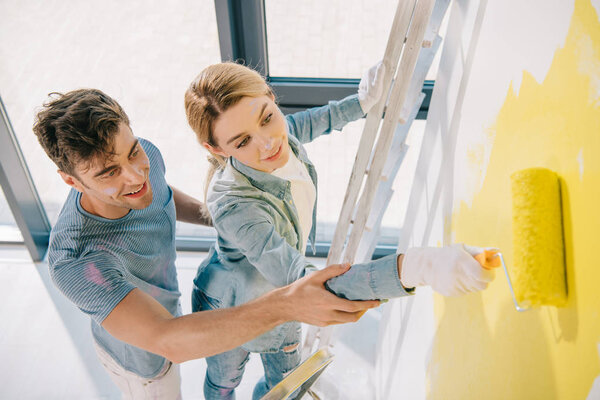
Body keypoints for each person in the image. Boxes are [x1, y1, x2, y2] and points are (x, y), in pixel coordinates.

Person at [33, 88, 384, 400]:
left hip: (170, 308)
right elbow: (167, 339)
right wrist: (289, 304)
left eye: (133, 151)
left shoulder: (146, 158)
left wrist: (222, 216)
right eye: (109, 173)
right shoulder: (76, 262)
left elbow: (163, 196)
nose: (135, 174)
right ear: (71, 181)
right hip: (143, 360)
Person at [184, 62, 497, 400]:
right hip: (226, 307)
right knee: (223, 383)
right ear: (215, 149)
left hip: (281, 305)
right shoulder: (233, 207)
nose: (267, 144)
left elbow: (313, 122)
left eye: (267, 117)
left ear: (271, 99)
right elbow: (299, 279)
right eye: (242, 141)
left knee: (283, 388)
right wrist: (419, 267)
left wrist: (362, 102)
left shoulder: (279, 136)